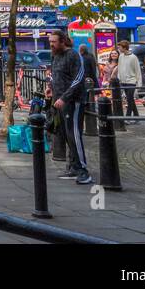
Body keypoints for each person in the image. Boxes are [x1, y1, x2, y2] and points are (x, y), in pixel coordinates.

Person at [45, 29, 92, 186]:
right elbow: (55, 74)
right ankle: (73, 167)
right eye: (50, 42)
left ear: (63, 41)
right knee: (66, 135)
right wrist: (50, 87)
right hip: (60, 101)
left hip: (74, 101)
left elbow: (79, 79)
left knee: (74, 135)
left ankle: (83, 170)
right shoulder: (55, 55)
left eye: (54, 42)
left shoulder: (73, 55)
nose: (51, 45)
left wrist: (64, 97)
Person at [115, 40, 142, 116]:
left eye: (120, 47)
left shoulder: (133, 57)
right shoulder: (121, 56)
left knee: (130, 100)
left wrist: (139, 84)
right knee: (130, 100)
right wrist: (119, 78)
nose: (119, 49)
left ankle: (128, 117)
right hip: (123, 82)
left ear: (124, 48)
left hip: (131, 82)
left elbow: (138, 71)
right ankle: (137, 116)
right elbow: (119, 68)